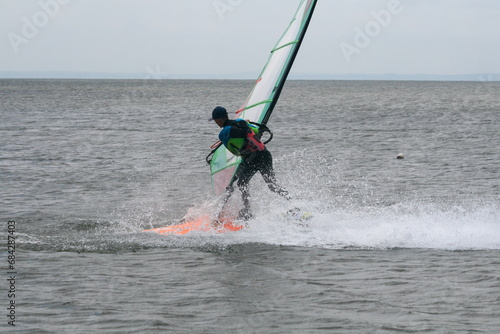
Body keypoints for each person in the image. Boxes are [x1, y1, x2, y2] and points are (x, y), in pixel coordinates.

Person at [210, 106, 290, 220]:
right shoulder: (241, 121)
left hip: (251, 160)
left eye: (215, 120)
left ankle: (247, 211)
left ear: (219, 120)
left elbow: (236, 153)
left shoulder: (223, 135)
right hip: (265, 155)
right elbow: (256, 131)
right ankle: (292, 201)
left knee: (240, 183)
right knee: (272, 185)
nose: (216, 123)